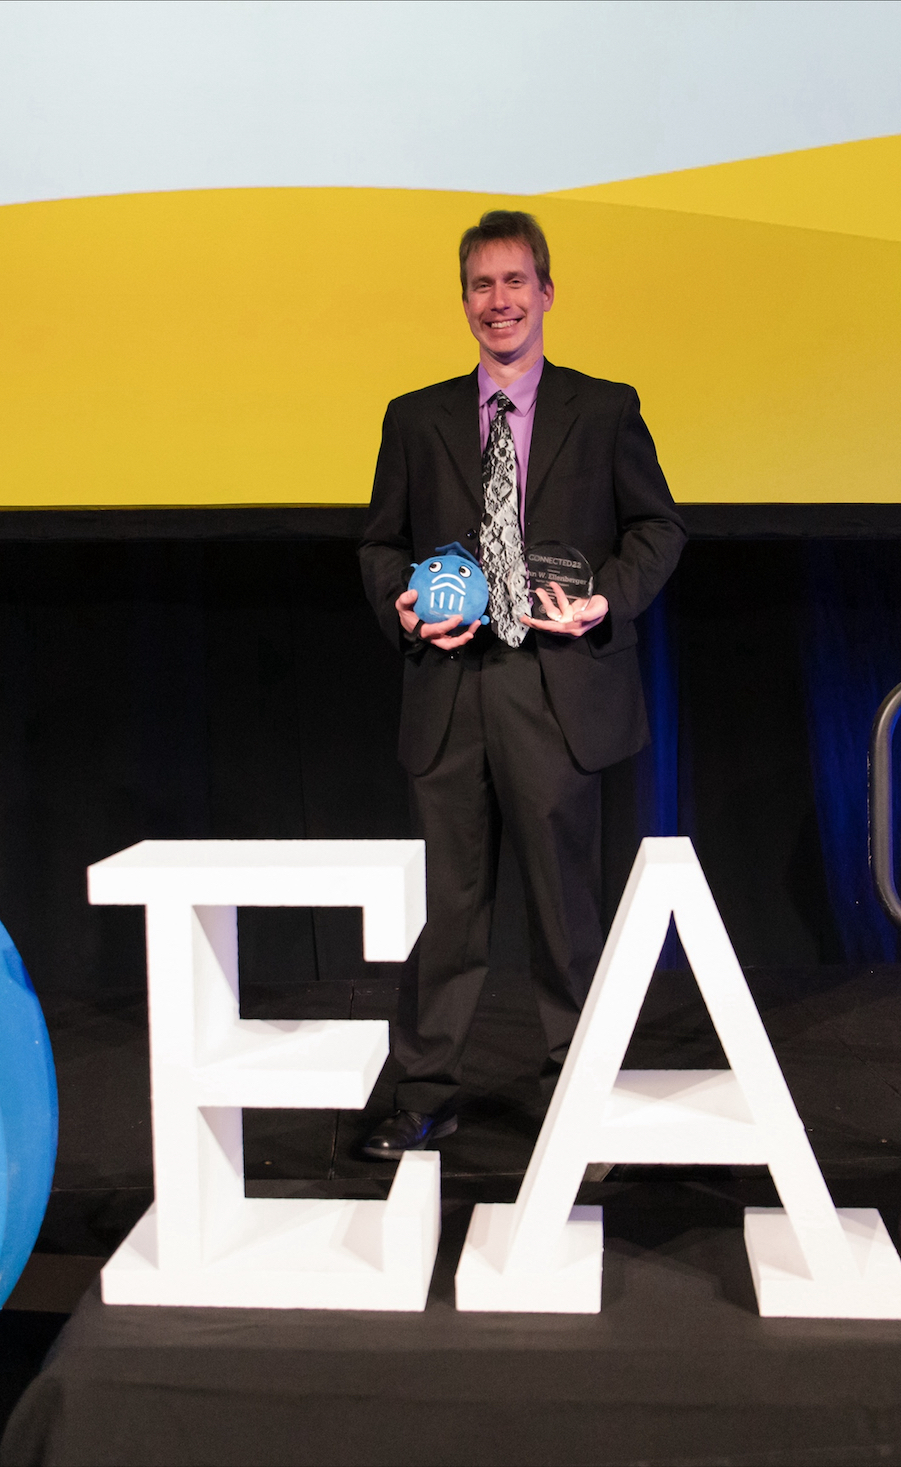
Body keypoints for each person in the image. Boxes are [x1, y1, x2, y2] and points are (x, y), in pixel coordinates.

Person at [356, 209, 685, 1157]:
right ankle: (422, 1088)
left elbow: (658, 530)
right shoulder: (415, 418)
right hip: (451, 689)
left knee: (563, 910)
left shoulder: (606, 408)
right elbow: (380, 544)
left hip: (557, 688)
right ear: (464, 301)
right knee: (448, 908)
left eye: (513, 283)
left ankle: (576, 1095)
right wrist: (405, 607)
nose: (497, 302)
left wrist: (603, 605)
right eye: (480, 286)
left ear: (545, 292)